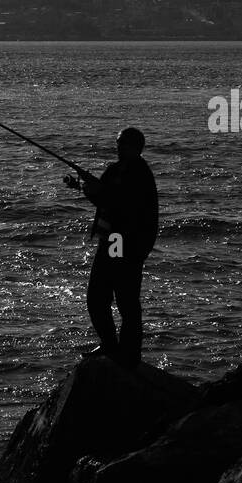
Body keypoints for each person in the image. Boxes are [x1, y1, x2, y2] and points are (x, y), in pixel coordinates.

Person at [65, 126, 158, 360]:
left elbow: (122, 204)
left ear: (137, 148)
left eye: (123, 144)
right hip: (109, 242)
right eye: (118, 143)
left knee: (126, 302)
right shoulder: (114, 170)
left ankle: (129, 355)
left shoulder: (141, 175)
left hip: (128, 246)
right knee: (97, 298)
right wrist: (82, 187)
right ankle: (109, 344)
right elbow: (102, 199)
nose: (119, 148)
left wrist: (98, 190)